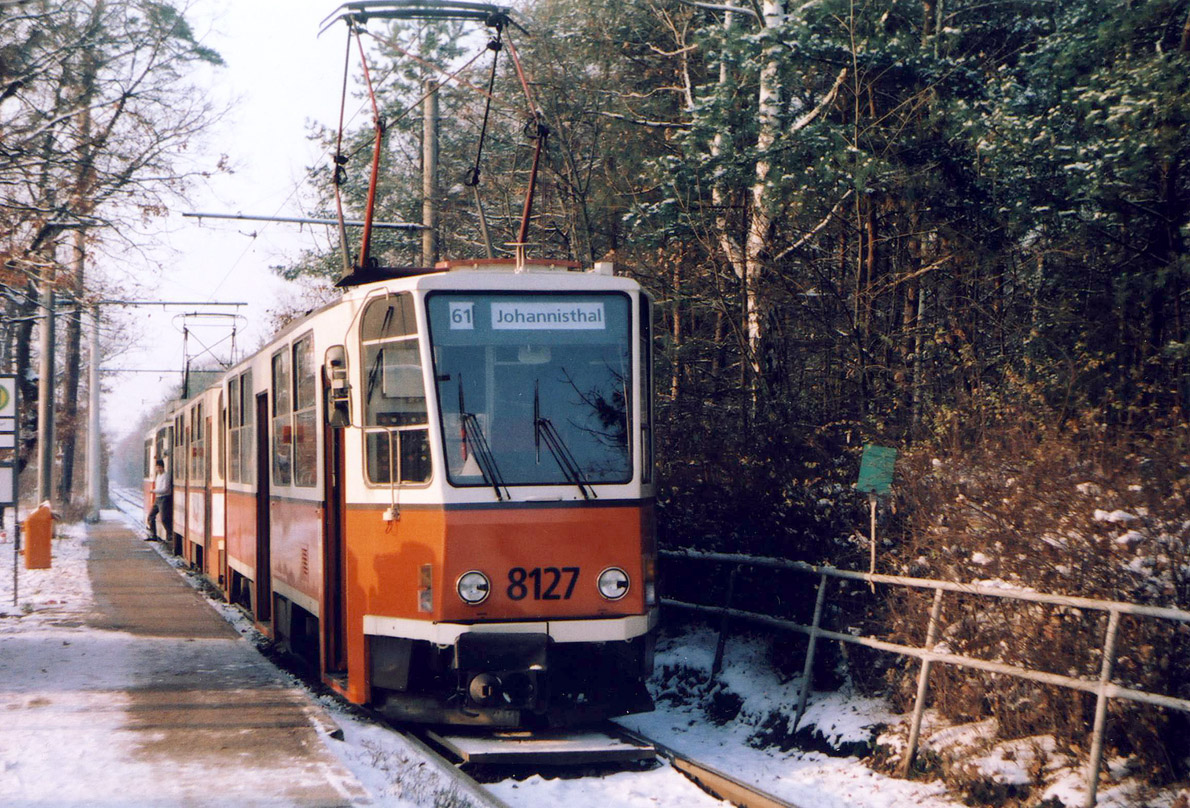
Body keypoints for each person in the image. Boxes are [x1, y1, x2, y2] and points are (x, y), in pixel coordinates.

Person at [146, 457, 172, 540]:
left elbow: (165, 489)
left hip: (164, 498)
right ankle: (153, 535)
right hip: (158, 498)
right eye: (156, 467)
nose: (157, 469)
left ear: (162, 467)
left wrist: (154, 491)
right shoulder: (158, 476)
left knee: (164, 518)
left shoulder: (166, 476)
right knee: (150, 516)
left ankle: (169, 534)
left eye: (158, 467)